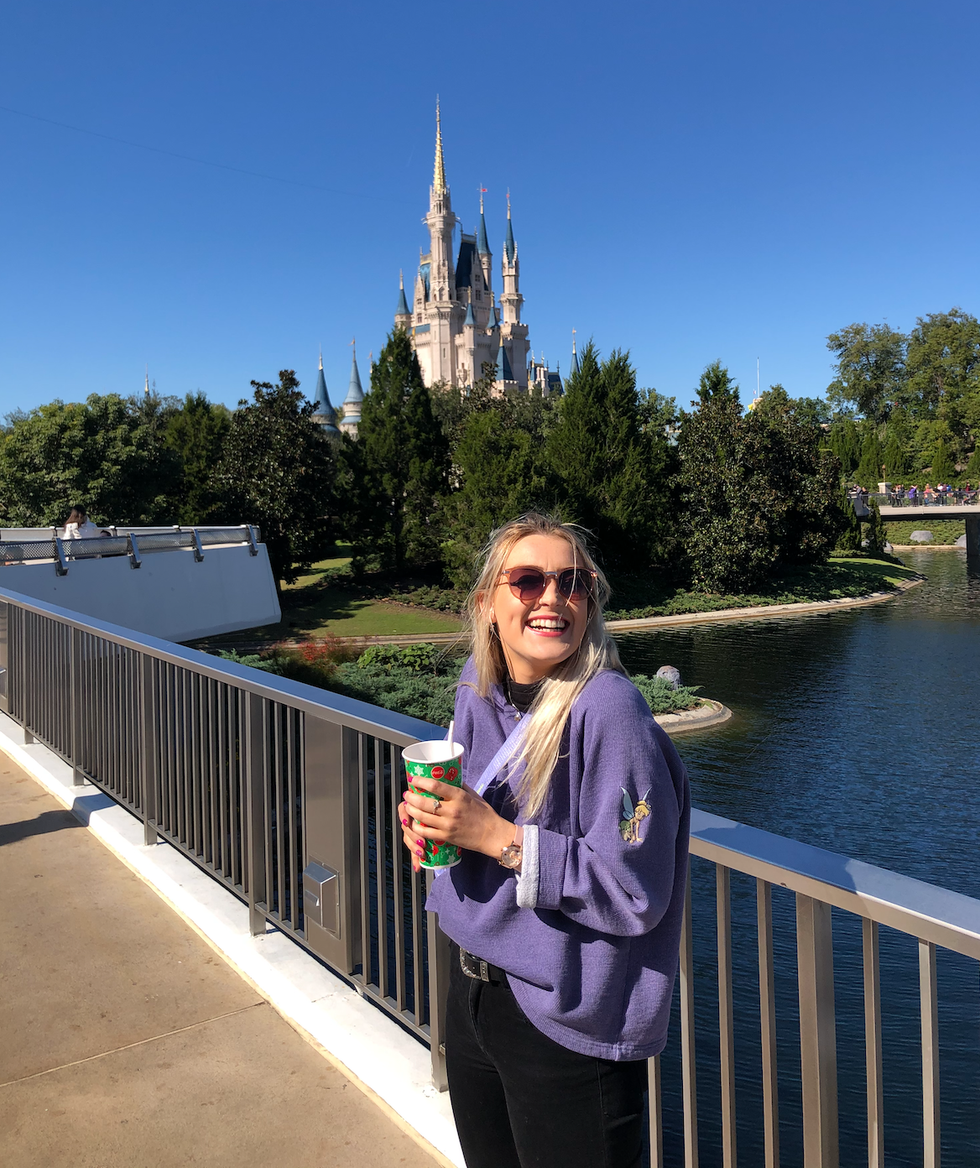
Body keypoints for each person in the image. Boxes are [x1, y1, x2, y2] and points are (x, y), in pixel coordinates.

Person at [400, 513, 690, 1168]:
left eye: (573, 582)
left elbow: (634, 889)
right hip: (472, 988)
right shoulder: (477, 688)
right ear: (488, 603)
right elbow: (474, 815)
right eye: (528, 581)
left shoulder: (608, 712)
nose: (553, 598)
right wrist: (436, 827)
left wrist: (498, 838)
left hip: (566, 1016)